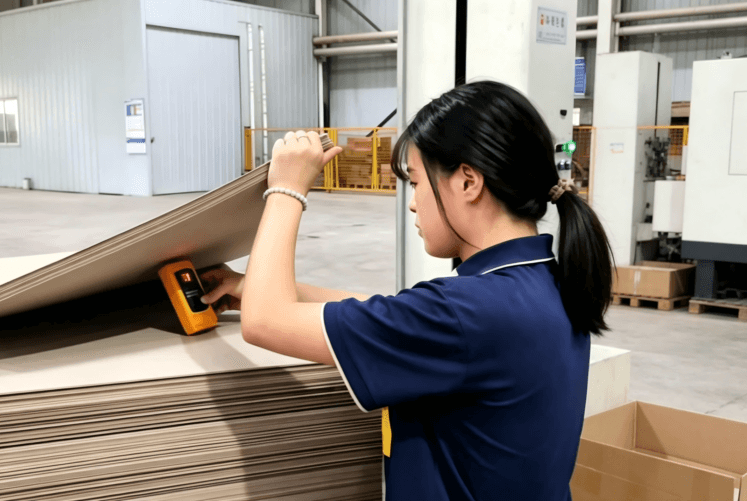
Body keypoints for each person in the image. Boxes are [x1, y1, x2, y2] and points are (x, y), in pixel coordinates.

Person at [199, 81, 614, 500]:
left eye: (415, 182)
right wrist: (254, 287)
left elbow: (263, 322)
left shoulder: (465, 313)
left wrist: (286, 188)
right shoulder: (544, 281)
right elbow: (392, 315)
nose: (413, 203)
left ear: (468, 182)